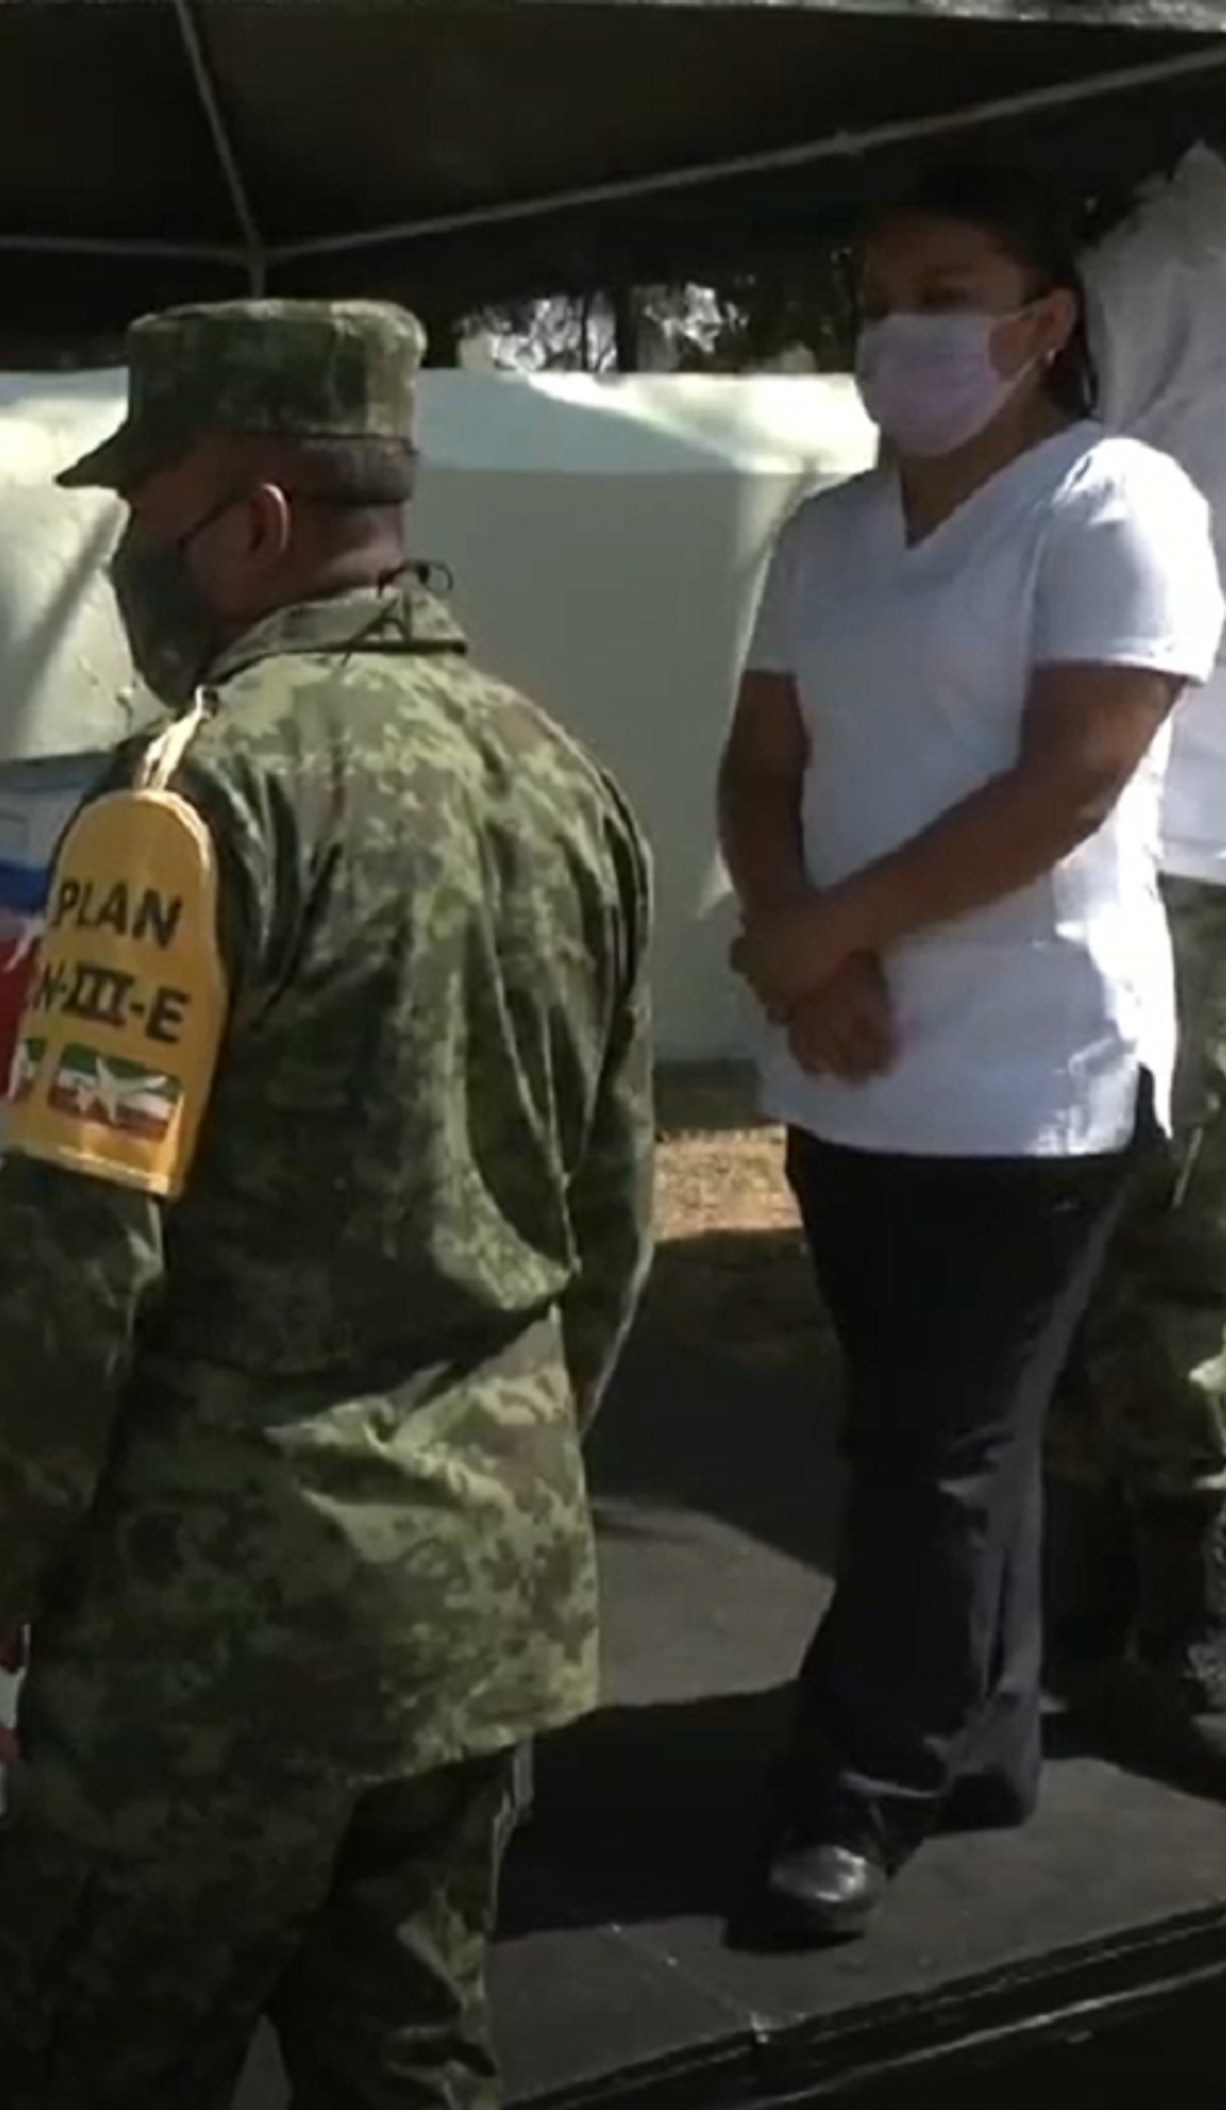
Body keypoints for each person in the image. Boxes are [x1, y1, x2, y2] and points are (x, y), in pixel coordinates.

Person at [0, 298, 655, 2108]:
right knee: (410, 2061)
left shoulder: (186, 803)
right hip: (476, 1608)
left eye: (143, 512)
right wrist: (489, 1491)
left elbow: (72, 1252)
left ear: (253, 522)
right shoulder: (562, 778)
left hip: (214, 1644)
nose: (126, 564)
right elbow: (613, 1220)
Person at [716, 159, 1226, 1945]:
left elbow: (1071, 779)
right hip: (852, 1061)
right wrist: (805, 946)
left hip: (1035, 1070)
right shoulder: (831, 538)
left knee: (931, 1439)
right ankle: (984, 1730)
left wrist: (830, 933)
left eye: (946, 296)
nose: (901, 334)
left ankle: (860, 1782)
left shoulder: (1116, 501)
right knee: (938, 1425)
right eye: (879, 300)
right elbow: (763, 765)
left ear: (1044, 321)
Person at [1043, 169, 1226, 1788]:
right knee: (1179, 1240)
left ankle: (1113, 1599)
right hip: (1183, 833)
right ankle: (1183, 1613)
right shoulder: (1165, 267)